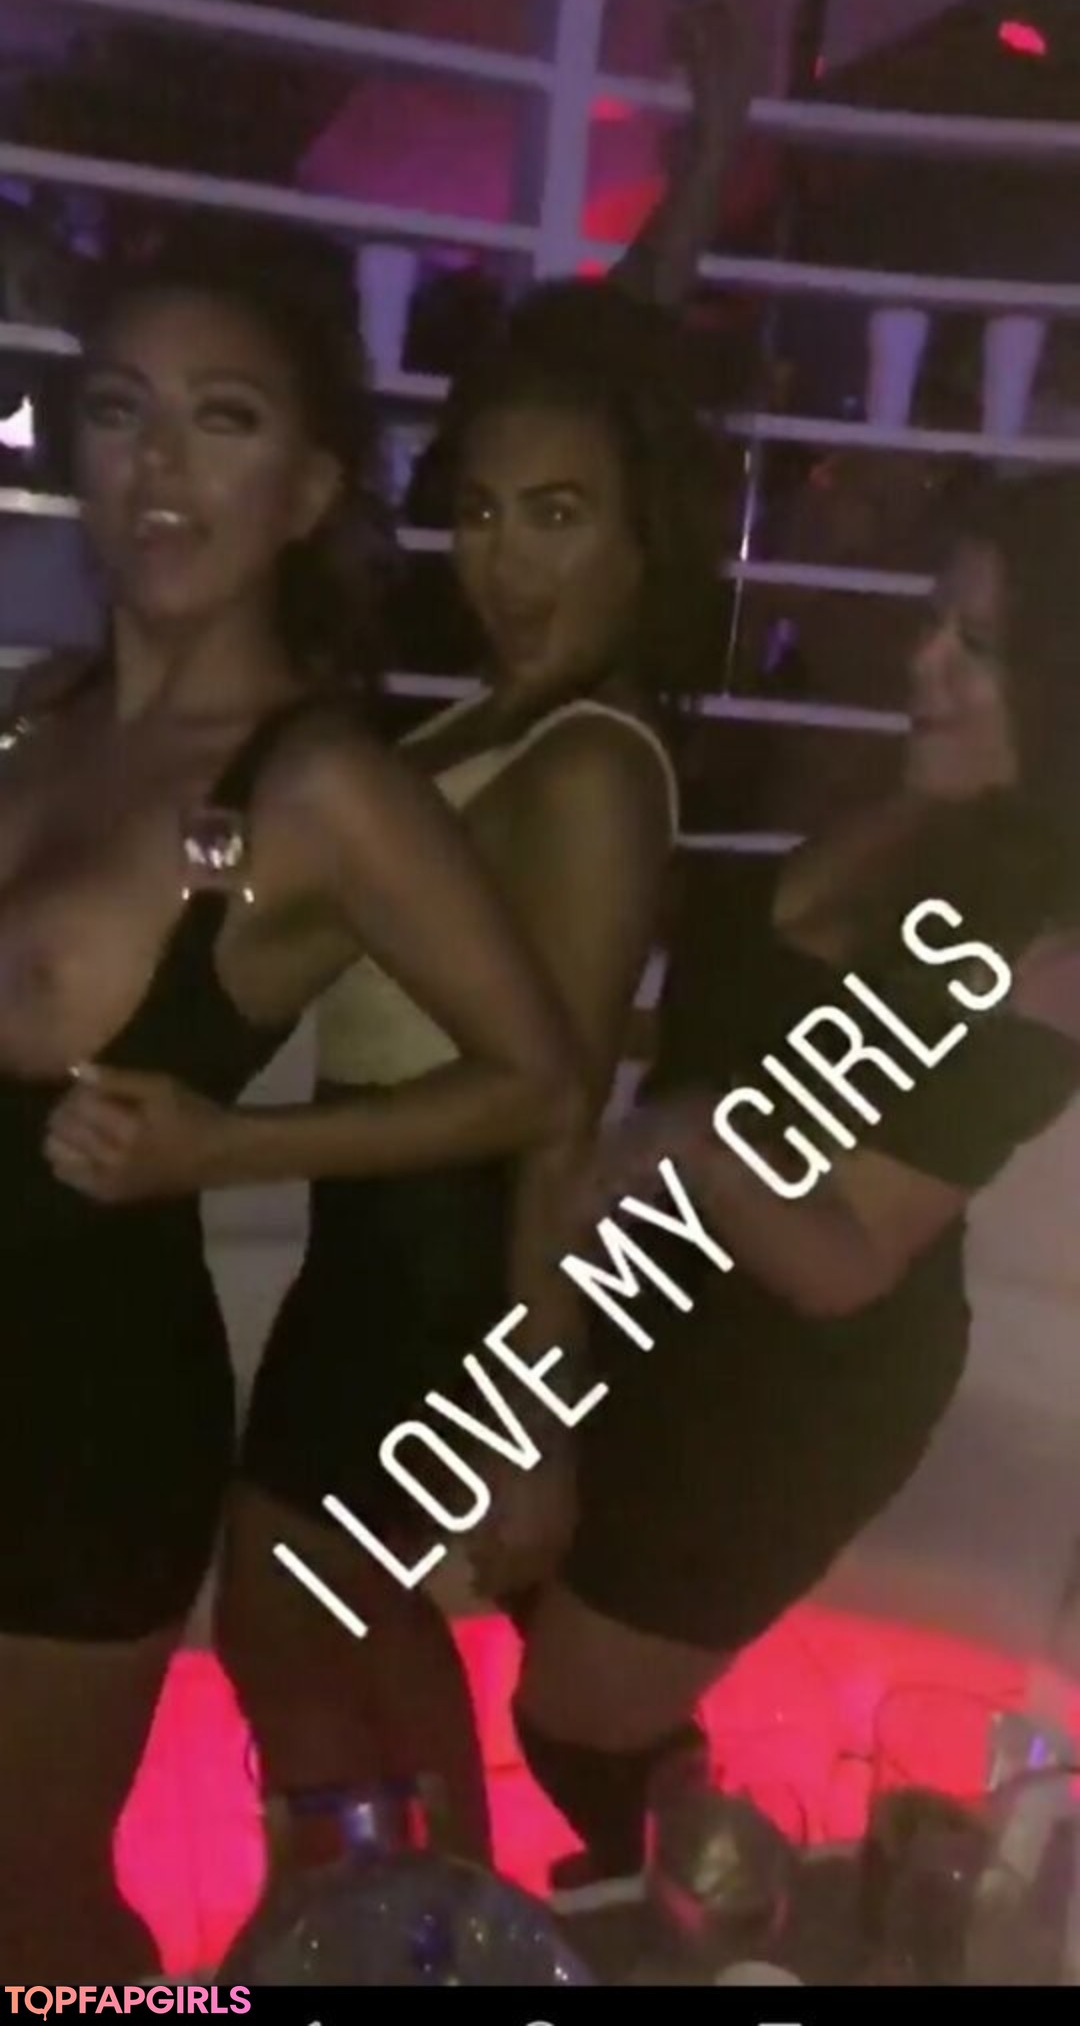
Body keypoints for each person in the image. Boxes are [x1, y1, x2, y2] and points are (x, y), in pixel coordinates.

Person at [7, 215, 579, 1979]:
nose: (160, 464)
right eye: (123, 409)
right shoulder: (46, 715)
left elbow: (540, 1078)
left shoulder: (319, 783)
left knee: (31, 1904)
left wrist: (227, 1143)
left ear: (312, 489)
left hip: (79, 1408)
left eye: (225, 418)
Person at [505, 470, 1080, 1907]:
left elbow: (847, 1258)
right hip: (666, 1292)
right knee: (523, 1571)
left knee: (569, 1713)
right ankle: (687, 1860)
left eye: (978, 645)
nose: (923, 661)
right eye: (935, 621)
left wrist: (682, 1138)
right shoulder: (912, 813)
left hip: (790, 1386)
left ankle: (688, 1918)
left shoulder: (1047, 946)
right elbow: (736, 1009)